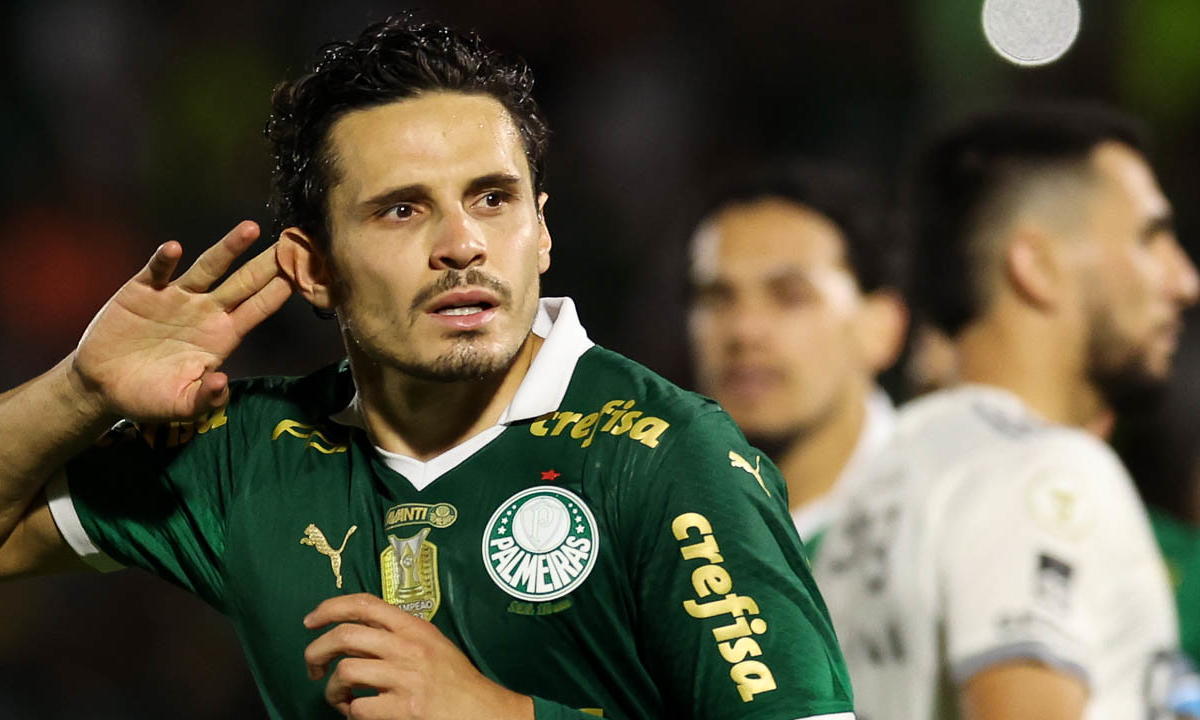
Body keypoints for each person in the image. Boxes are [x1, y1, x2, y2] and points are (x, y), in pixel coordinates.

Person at [0, 14, 854, 720]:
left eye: (493, 197)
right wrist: (76, 391)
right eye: (402, 209)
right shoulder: (246, 452)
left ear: (544, 231)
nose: (462, 245)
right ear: (313, 267)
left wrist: (503, 716)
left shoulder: (668, 454)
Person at [814, 104, 1200, 720]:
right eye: (1149, 237)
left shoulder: (878, 485)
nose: (1184, 281)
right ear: (1038, 266)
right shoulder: (1044, 471)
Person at [686, 163, 907, 560]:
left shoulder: (942, 517)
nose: (744, 331)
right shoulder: (648, 522)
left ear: (881, 327)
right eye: (718, 298)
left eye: (790, 296)